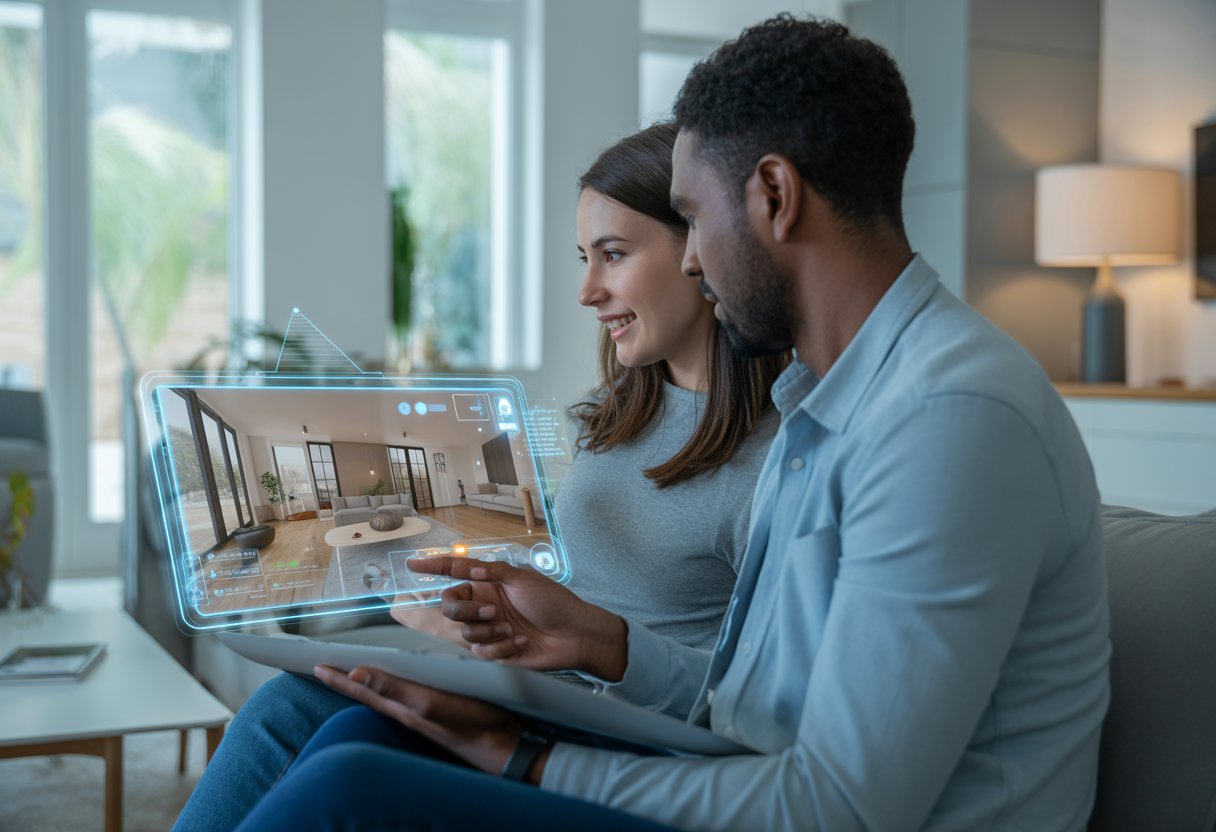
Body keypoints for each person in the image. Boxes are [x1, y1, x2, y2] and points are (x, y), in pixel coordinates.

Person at [229, 14, 1112, 832]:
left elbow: (836, 807)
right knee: (344, 731)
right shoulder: (830, 401)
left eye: (689, 218)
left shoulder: (949, 419)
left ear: (774, 194)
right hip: (760, 781)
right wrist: (597, 638)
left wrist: (521, 757)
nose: (691, 257)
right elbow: (753, 708)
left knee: (352, 786)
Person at [173, 123, 787, 832]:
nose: (587, 291)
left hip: (633, 743)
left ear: (700, 249)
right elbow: (573, 589)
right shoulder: (616, 413)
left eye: (612, 256)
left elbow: (756, 696)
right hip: (543, 695)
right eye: (584, 259)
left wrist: (588, 645)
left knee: (350, 751)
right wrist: (473, 614)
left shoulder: (781, 452)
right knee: (289, 705)